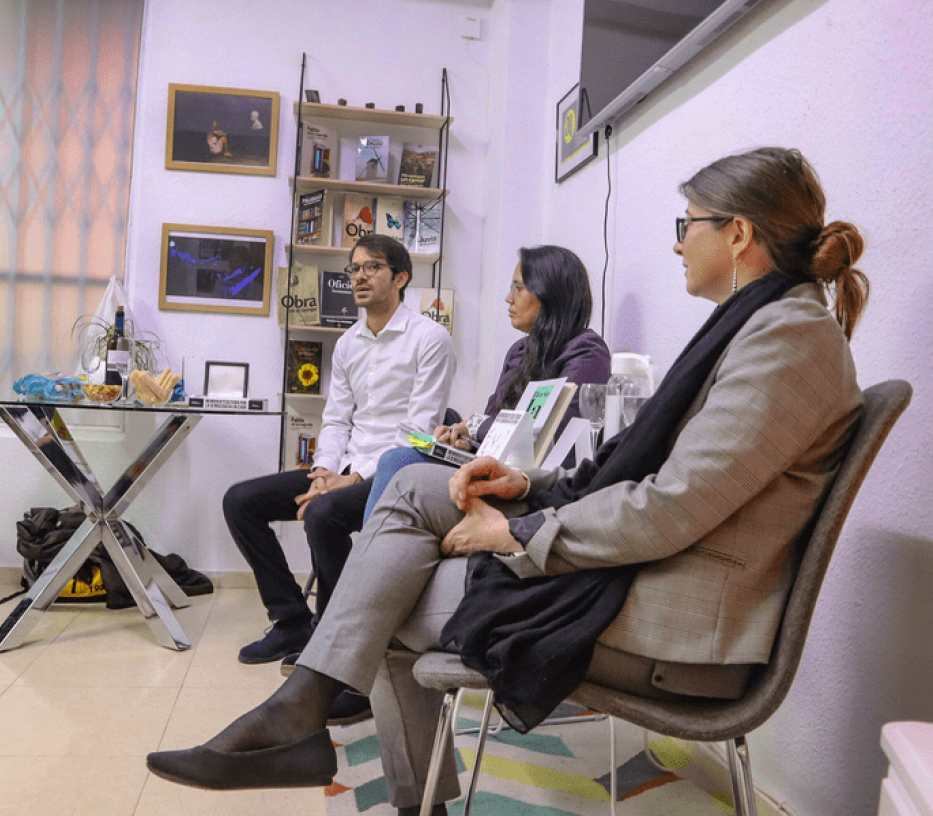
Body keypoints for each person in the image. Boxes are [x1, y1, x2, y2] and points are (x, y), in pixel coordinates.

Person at [147, 148, 869, 816]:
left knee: (384, 592)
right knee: (415, 488)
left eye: (689, 223)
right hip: (649, 575)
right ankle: (306, 706)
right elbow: (655, 475)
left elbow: (673, 506)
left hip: (673, 627)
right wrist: (526, 484)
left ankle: (356, 755)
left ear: (738, 233)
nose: (679, 240)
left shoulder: (787, 341)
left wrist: (521, 530)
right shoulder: (762, 327)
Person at [222, 234, 455, 673]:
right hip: (343, 469)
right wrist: (324, 470)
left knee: (322, 514)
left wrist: (352, 479)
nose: (359, 277)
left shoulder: (430, 339)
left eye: (372, 267)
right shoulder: (349, 343)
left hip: (396, 474)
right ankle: (292, 620)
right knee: (240, 501)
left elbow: (420, 432)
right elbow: (336, 420)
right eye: (354, 268)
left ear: (400, 277)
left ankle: (339, 634)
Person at [363, 244, 610, 521]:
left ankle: (366, 553)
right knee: (399, 458)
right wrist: (464, 442)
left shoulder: (587, 351)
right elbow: (494, 421)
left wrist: (474, 427)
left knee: (396, 461)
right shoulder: (520, 351)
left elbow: (553, 433)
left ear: (549, 293)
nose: (508, 298)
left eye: (518, 288)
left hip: (530, 480)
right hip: (492, 464)